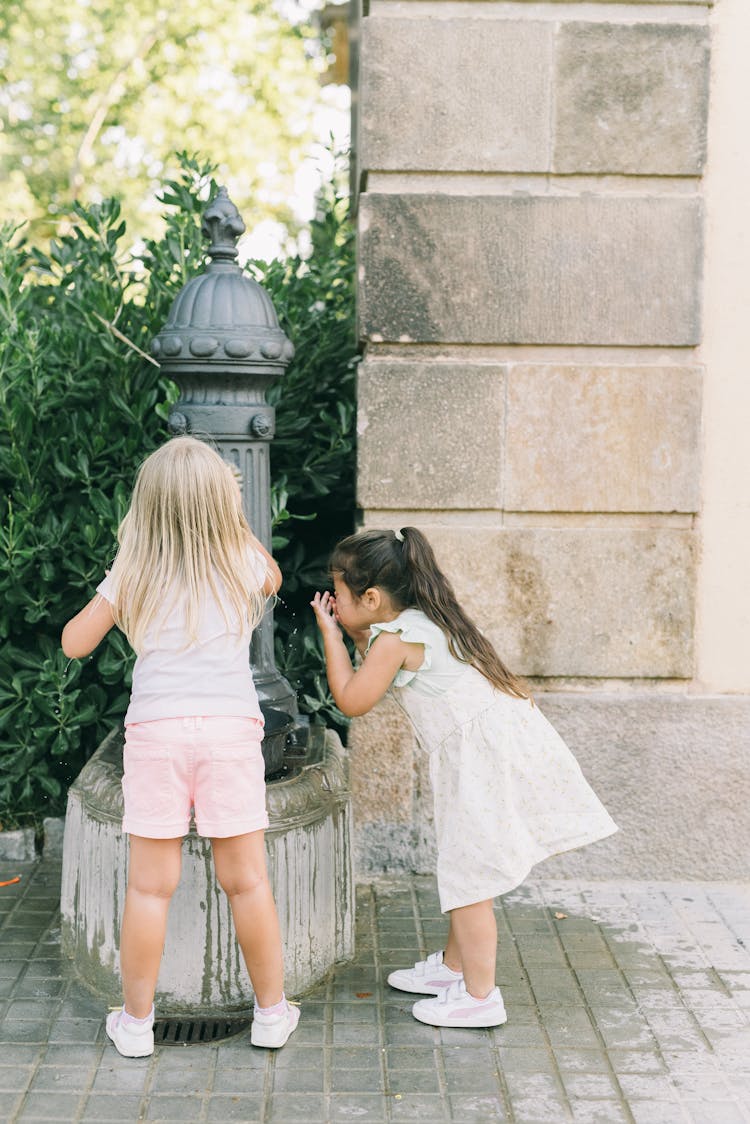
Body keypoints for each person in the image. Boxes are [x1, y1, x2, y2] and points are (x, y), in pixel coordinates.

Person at [311, 526, 617, 1030]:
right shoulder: (416, 620)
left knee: (469, 873)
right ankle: (454, 969)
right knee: (464, 864)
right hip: (489, 746)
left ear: (370, 597)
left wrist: (328, 633)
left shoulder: (397, 638)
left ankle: (480, 997)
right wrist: (351, 630)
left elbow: (352, 699)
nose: (333, 602)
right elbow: (370, 652)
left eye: (337, 594)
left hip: (481, 759)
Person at [62, 436, 299, 1056]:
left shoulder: (133, 571)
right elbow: (272, 575)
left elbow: (73, 644)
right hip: (229, 732)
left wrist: (117, 588)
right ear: (223, 504)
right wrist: (233, 522)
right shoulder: (240, 563)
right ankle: (271, 1015)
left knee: (149, 887)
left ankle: (136, 1026)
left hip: (156, 734)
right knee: (247, 881)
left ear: (147, 507)